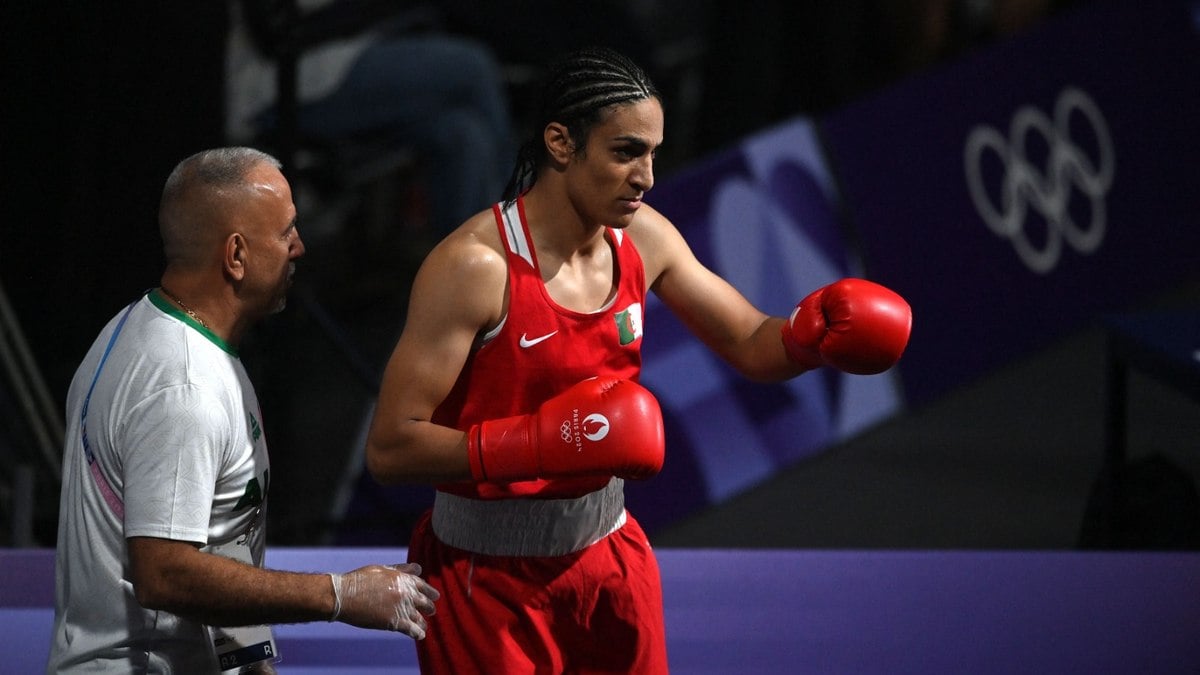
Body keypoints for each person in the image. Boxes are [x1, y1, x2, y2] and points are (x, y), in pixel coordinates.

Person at [364, 47, 912, 673]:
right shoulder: (473, 268)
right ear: (561, 143)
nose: (647, 175)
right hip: (483, 580)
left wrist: (808, 339)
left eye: (652, 152)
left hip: (610, 559)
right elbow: (390, 448)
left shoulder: (643, 238)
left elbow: (752, 341)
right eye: (626, 152)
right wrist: (533, 445)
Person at [47, 147, 440, 673]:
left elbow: (220, 537)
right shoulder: (184, 388)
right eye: (286, 232)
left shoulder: (144, 330)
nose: (299, 247)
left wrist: (252, 663)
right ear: (236, 255)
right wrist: (340, 595)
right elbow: (165, 573)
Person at [226, 0, 515, 239]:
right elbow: (273, 29)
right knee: (473, 69)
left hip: (355, 54)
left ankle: (476, 284)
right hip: (286, 82)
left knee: (462, 130)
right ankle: (523, 253)